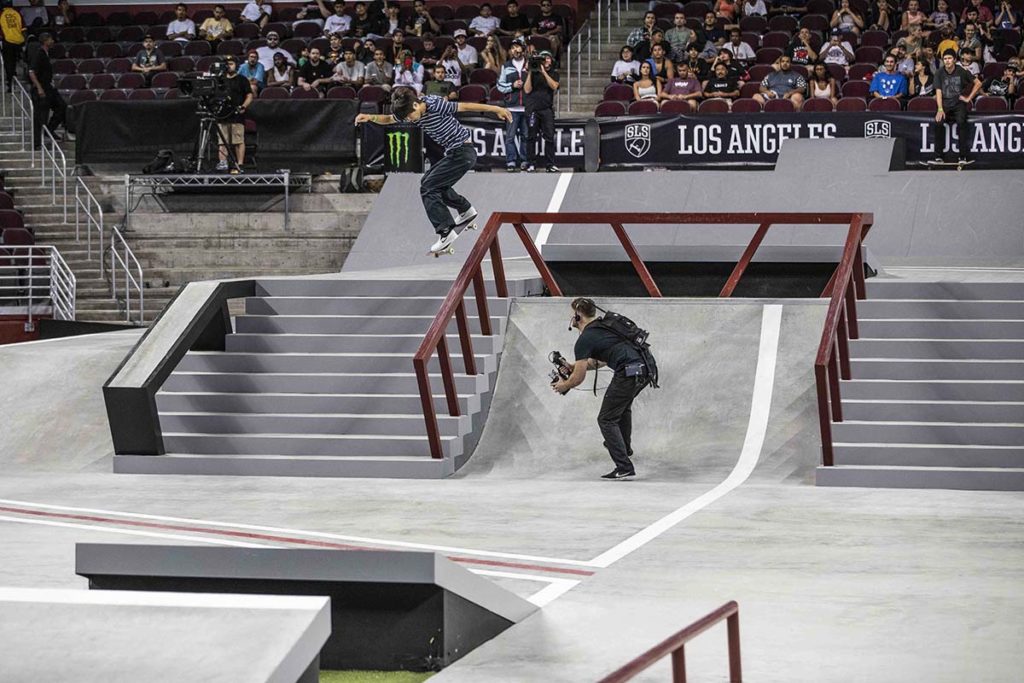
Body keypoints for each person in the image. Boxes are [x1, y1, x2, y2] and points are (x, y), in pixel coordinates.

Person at [355, 88, 512, 254]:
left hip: (463, 152)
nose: (409, 120)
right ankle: (465, 210)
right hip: (454, 153)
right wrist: (370, 117)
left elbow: (466, 107)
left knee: (429, 187)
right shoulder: (411, 109)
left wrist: (498, 109)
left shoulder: (435, 105)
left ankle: (445, 231)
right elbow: (388, 119)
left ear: (416, 105)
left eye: (410, 116)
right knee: (429, 182)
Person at [551, 298, 656, 481]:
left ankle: (624, 467)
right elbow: (600, 361)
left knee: (606, 419)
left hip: (629, 372)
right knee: (621, 409)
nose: (570, 319)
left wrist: (564, 385)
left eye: (571, 315)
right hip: (646, 368)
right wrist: (571, 365)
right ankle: (625, 448)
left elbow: (578, 378)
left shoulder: (585, 339)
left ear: (577, 315)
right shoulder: (603, 326)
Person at [933, 48, 981, 162]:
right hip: (944, 103)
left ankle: (962, 156)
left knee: (961, 123)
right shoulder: (939, 72)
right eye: (945, 59)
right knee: (938, 123)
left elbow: (978, 83)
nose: (947, 61)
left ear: (954, 60)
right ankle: (939, 156)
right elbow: (938, 91)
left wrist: (969, 98)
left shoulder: (962, 71)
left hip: (958, 104)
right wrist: (940, 109)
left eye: (949, 58)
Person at [29, 31, 67, 147]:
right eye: (51, 39)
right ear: (46, 41)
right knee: (40, 116)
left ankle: (49, 130)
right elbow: (31, 72)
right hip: (41, 89)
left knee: (62, 106)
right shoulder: (39, 54)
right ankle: (37, 143)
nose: (53, 41)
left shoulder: (46, 53)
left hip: (49, 88)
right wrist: (39, 88)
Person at [497, 39, 529, 172]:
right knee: (510, 136)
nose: (515, 50)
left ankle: (525, 160)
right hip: (511, 107)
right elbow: (500, 85)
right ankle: (511, 161)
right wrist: (512, 86)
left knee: (526, 136)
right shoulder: (506, 65)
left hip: (527, 107)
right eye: (513, 48)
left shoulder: (529, 65)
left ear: (523, 49)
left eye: (518, 47)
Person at [217, 55, 253, 173]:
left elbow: (249, 95)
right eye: (227, 64)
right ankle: (223, 163)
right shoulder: (220, 79)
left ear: (236, 66)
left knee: (238, 140)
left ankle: (240, 165)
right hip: (222, 114)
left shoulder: (242, 79)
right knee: (223, 141)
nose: (229, 66)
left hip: (237, 113)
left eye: (231, 64)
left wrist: (244, 106)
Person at [524, 49, 558, 173]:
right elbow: (527, 90)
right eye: (543, 58)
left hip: (546, 110)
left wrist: (543, 72)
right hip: (533, 109)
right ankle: (531, 163)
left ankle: (550, 164)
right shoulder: (533, 73)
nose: (546, 60)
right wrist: (530, 72)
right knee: (531, 137)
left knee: (549, 137)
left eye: (548, 58)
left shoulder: (554, 73)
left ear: (551, 60)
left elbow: (554, 86)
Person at [1, 0, 25, 93]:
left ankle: (10, 83)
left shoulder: (1, 14)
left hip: (7, 42)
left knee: (8, 63)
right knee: (14, 61)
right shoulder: (17, 13)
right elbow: (23, 29)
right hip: (19, 41)